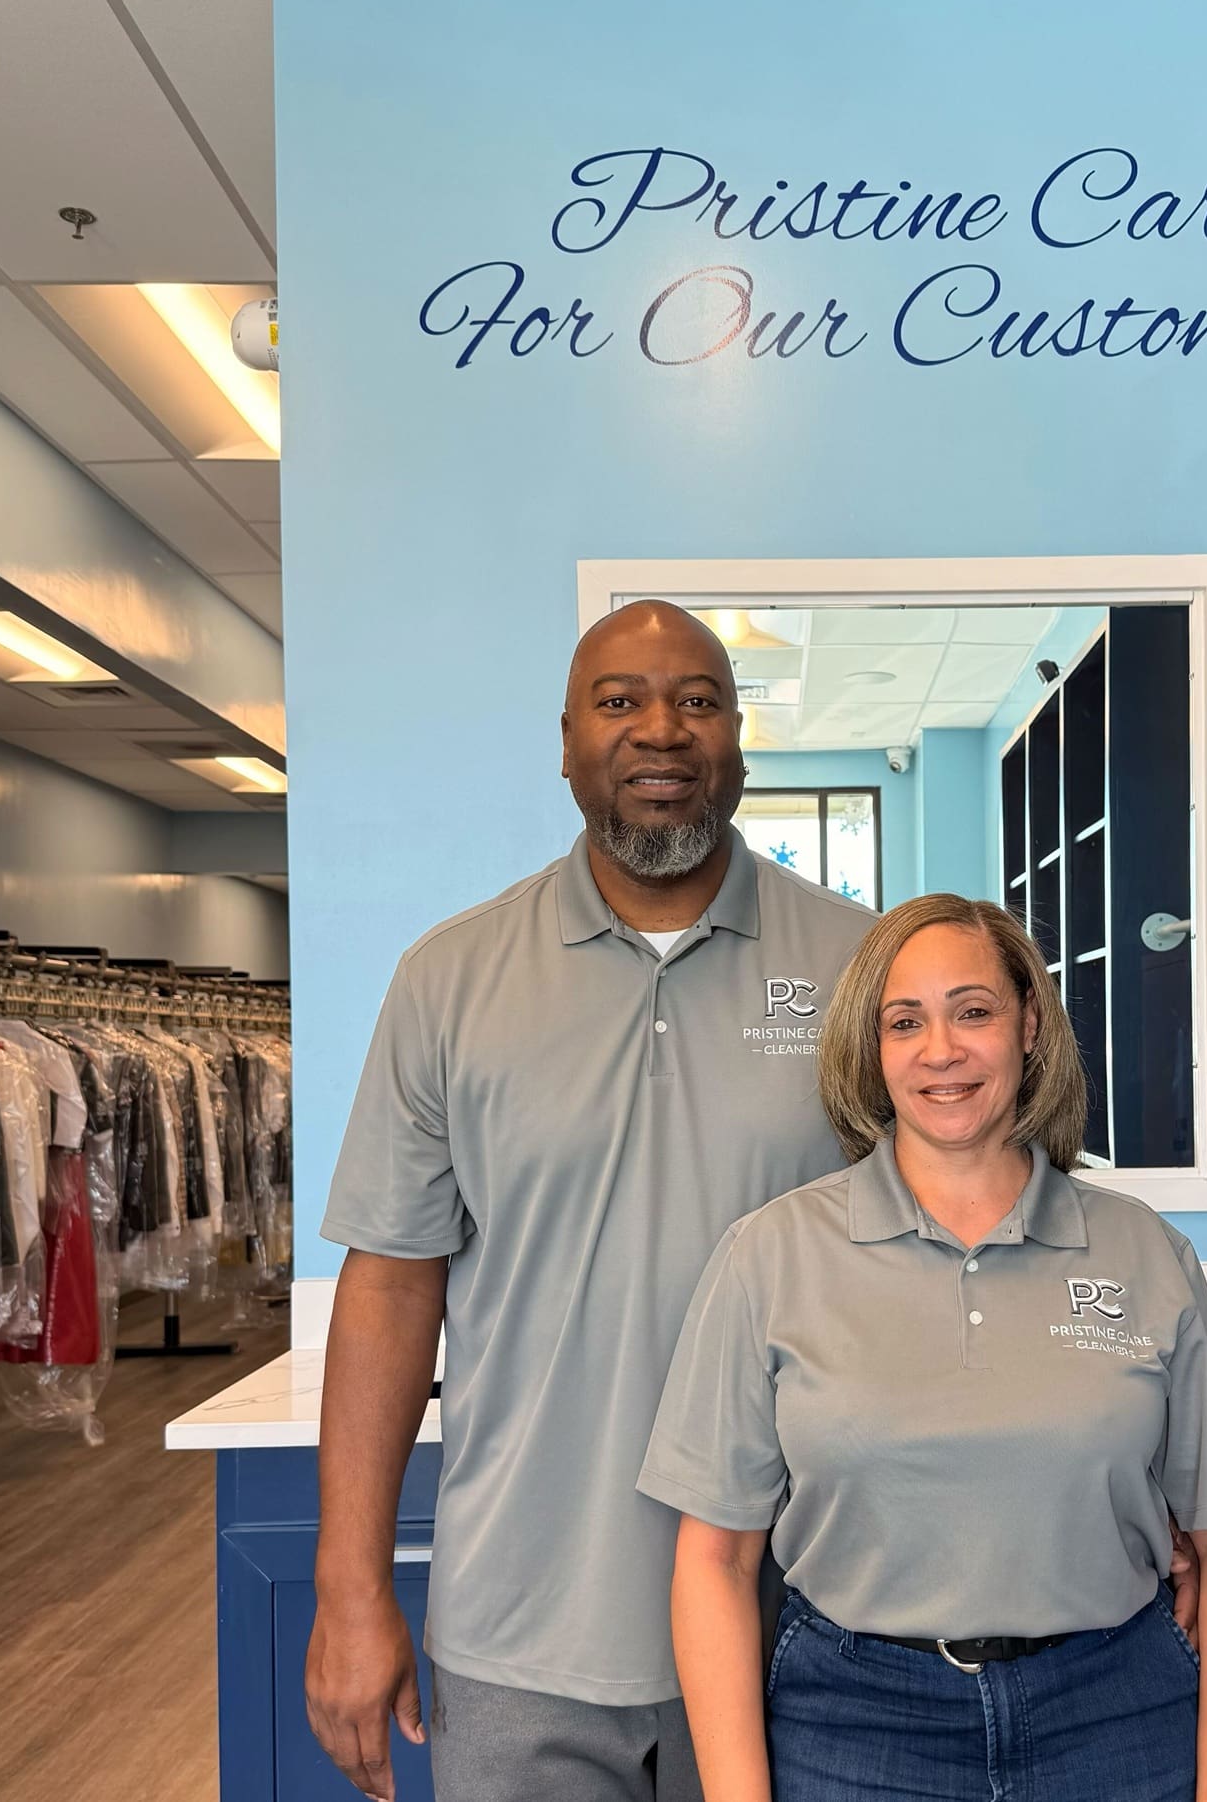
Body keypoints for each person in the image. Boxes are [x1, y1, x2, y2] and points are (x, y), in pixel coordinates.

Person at [303, 602, 879, 1802]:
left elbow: (952, 1257)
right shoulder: (451, 979)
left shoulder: (860, 972)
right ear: (566, 741)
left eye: (699, 700)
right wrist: (349, 1590)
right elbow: (392, 1288)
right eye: (620, 701)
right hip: (521, 1632)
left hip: (811, 1619)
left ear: (739, 741)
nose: (661, 730)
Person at [640, 894, 1207, 1802]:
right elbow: (714, 1559)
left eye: (972, 1011)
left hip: (1113, 1716)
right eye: (905, 1022)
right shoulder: (770, 1256)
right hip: (854, 1729)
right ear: (873, 1050)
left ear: (1028, 1024)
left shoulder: (1144, 1252)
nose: (940, 1050)